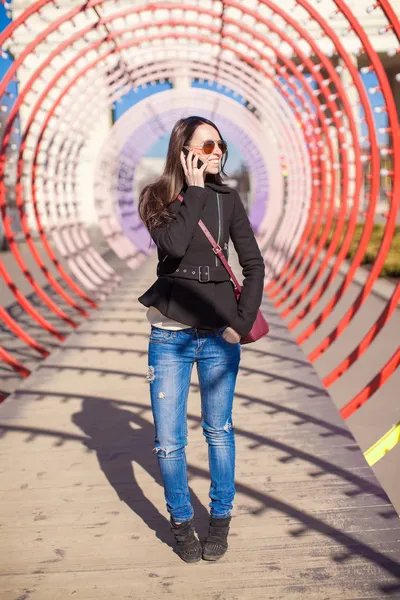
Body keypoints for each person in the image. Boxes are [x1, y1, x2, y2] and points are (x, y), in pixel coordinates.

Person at [138, 116, 265, 563]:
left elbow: (253, 265)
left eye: (220, 145)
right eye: (207, 145)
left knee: (218, 430)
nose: (217, 152)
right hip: (168, 334)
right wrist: (191, 192)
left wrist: (242, 322)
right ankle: (179, 521)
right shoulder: (156, 197)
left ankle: (221, 519)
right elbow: (172, 246)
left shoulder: (228, 200)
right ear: (184, 151)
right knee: (170, 440)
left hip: (218, 333)